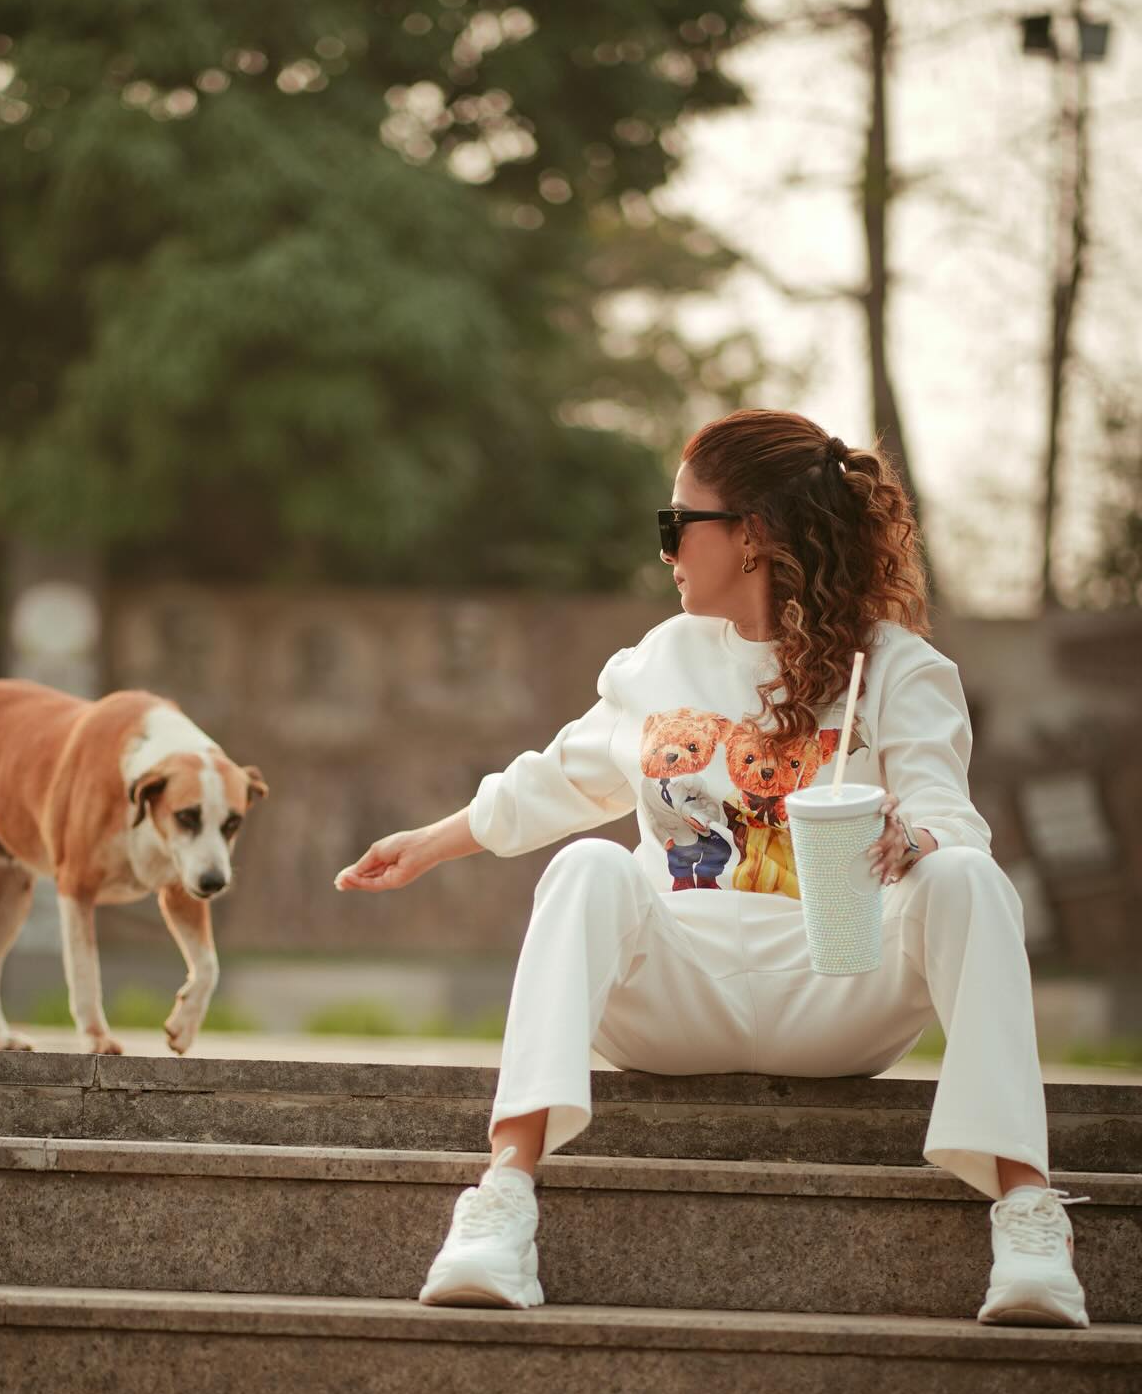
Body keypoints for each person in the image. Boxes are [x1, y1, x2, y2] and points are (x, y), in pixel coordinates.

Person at [335, 409, 1089, 1329]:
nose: (666, 550)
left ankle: (1025, 1213)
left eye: (678, 523)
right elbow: (559, 779)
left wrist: (919, 841)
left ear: (753, 536)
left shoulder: (896, 670)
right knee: (587, 867)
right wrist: (431, 841)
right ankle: (503, 1202)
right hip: (681, 993)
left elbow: (948, 815)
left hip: (835, 991)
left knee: (971, 880)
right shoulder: (662, 659)